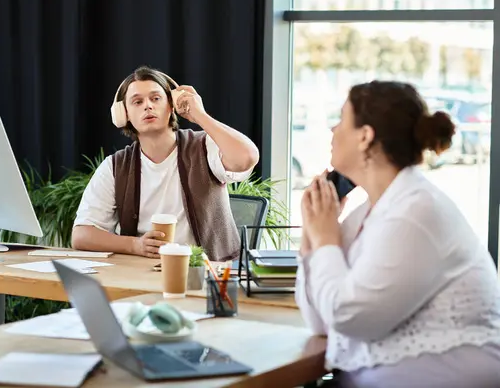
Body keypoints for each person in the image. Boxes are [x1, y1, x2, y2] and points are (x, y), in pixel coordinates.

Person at [296, 81, 500, 388]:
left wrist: (326, 239)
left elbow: (349, 317)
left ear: (365, 136)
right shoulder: (369, 212)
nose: (332, 130)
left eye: (341, 119)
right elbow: (321, 320)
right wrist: (314, 235)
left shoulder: (416, 211)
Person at [71, 66, 259, 261]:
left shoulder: (204, 147)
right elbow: (81, 235)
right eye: (137, 102)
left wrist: (199, 115)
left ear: (172, 106)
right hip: (144, 272)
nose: (148, 106)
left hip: (207, 272)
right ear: (123, 115)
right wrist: (135, 245)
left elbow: (246, 158)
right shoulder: (115, 167)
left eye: (156, 98)